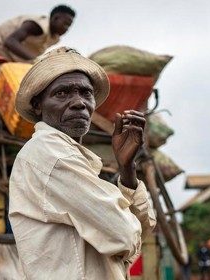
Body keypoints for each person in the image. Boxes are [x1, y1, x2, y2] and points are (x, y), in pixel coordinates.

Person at [9, 47, 156, 279]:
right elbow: (124, 235)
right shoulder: (52, 154)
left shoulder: (67, 154)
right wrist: (126, 231)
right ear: (38, 105)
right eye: (62, 93)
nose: (79, 103)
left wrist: (127, 169)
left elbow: (135, 232)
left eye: (86, 93)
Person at [0, 5, 75, 64]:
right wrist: (38, 61)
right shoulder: (37, 25)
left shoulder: (54, 38)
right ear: (55, 18)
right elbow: (10, 41)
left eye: (69, 26)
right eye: (66, 24)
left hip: (10, 61)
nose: (67, 29)